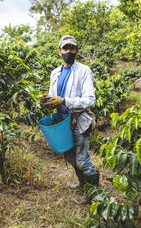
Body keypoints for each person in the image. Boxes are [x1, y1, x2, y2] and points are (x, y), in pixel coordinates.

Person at [42, 35, 99, 204]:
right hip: (63, 121)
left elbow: (90, 99)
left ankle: (94, 195)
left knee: (82, 160)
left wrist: (65, 101)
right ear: (60, 51)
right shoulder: (55, 73)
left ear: (77, 51)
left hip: (79, 119)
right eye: (65, 48)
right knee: (70, 157)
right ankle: (83, 184)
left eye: (72, 48)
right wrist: (48, 101)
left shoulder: (84, 71)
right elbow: (54, 96)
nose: (69, 51)